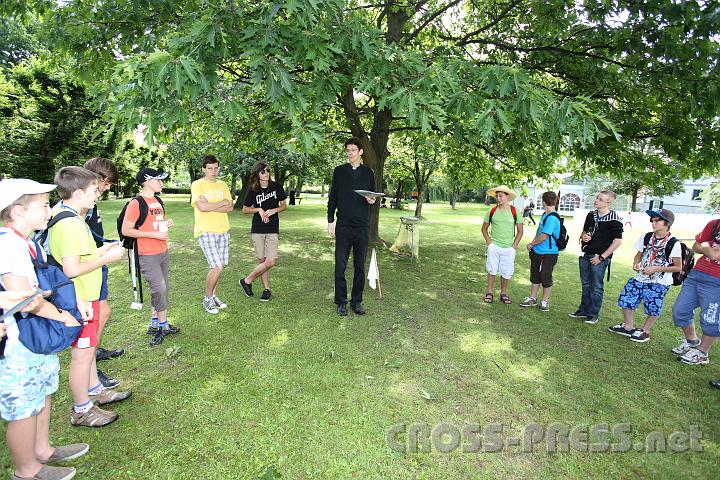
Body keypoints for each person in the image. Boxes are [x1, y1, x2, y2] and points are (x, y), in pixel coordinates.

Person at [0, 178, 90, 480]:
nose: (48, 209)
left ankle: (43, 450)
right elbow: (24, 300)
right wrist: (63, 316)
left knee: (43, 392)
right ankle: (27, 470)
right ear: (18, 211)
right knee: (24, 407)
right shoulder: (9, 245)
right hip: (17, 342)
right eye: (42, 205)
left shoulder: (28, 241)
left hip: (35, 338)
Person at [49, 167, 130, 428]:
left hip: (86, 296)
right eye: (95, 191)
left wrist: (99, 249)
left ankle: (95, 389)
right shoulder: (70, 223)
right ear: (79, 193)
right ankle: (81, 409)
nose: (99, 195)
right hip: (79, 298)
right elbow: (70, 269)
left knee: (89, 349)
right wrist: (106, 258)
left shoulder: (70, 216)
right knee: (83, 354)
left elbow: (76, 255)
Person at [121, 167, 180, 346]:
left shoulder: (158, 200)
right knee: (159, 289)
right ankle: (163, 325)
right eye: (158, 180)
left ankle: (155, 322)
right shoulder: (135, 203)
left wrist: (165, 224)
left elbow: (153, 223)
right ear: (147, 181)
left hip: (162, 251)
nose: (162, 183)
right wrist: (155, 235)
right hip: (147, 253)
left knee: (160, 288)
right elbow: (126, 230)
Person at [608, 208, 681, 343]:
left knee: (653, 305)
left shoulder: (673, 243)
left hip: (659, 281)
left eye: (657, 221)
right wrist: (636, 264)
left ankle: (645, 331)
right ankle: (628, 326)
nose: (653, 223)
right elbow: (638, 255)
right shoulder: (646, 237)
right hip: (640, 277)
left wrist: (656, 269)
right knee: (626, 297)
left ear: (667, 223)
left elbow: (678, 267)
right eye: (652, 220)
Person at [83, 157, 124, 388]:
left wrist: (106, 244)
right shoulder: (81, 205)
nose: (107, 189)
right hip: (90, 265)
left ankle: (93, 351)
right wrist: (103, 254)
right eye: (107, 184)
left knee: (102, 313)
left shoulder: (91, 203)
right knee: (98, 314)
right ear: (97, 179)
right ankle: (88, 364)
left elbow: (91, 235)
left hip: (98, 259)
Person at [327, 137, 376, 316]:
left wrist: (371, 200)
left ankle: (357, 302)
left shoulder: (368, 173)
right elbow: (332, 198)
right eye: (348, 150)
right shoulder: (339, 171)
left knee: (360, 266)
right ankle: (341, 302)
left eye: (353, 150)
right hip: (344, 225)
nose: (350, 153)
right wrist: (330, 220)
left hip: (362, 226)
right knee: (340, 265)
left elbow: (372, 198)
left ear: (360, 152)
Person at [568, 191, 623, 324]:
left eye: (600, 199)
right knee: (586, 284)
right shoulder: (591, 215)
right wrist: (584, 236)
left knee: (596, 286)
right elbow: (585, 232)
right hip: (586, 253)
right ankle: (583, 310)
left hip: (599, 257)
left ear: (608, 203)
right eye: (597, 198)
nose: (596, 200)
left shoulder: (614, 219)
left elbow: (617, 241)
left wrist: (602, 257)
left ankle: (593, 314)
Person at [671, 218, 720, 365]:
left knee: (710, 318)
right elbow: (695, 247)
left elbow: (713, 255)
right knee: (680, 310)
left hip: (717, 281)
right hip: (697, 274)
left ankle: (702, 352)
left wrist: (707, 245)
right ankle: (692, 343)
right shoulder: (714, 224)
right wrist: (710, 248)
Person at [191, 155, 233, 314]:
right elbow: (201, 207)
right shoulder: (197, 185)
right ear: (203, 169)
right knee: (216, 267)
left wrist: (210, 205)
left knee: (220, 268)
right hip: (206, 230)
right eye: (210, 168)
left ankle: (214, 296)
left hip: (223, 230)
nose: (213, 171)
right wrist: (220, 203)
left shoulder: (223, 184)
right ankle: (207, 299)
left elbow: (229, 207)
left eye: (216, 168)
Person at [239, 162, 287, 302]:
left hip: (272, 228)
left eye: (267, 170)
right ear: (257, 174)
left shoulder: (276, 186)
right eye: (263, 171)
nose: (266, 173)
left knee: (270, 261)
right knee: (262, 261)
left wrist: (274, 210)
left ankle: (247, 280)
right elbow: (245, 209)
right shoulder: (253, 189)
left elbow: (284, 205)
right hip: (258, 229)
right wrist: (258, 210)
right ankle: (267, 289)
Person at [481, 185, 523, 304]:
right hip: (494, 246)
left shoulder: (515, 211)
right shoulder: (492, 211)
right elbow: (484, 229)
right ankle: (489, 292)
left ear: (507, 197)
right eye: (497, 196)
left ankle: (503, 293)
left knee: (506, 271)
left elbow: (520, 231)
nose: (498, 198)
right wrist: (490, 243)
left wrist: (514, 247)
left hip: (509, 248)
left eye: (501, 196)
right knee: (492, 269)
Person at [520, 191, 561, 312]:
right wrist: (533, 244)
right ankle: (532, 298)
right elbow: (539, 232)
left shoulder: (552, 218)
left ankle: (544, 301)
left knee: (545, 275)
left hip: (549, 253)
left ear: (543, 202)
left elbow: (544, 236)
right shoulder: (545, 215)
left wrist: (531, 243)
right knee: (535, 275)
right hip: (537, 251)